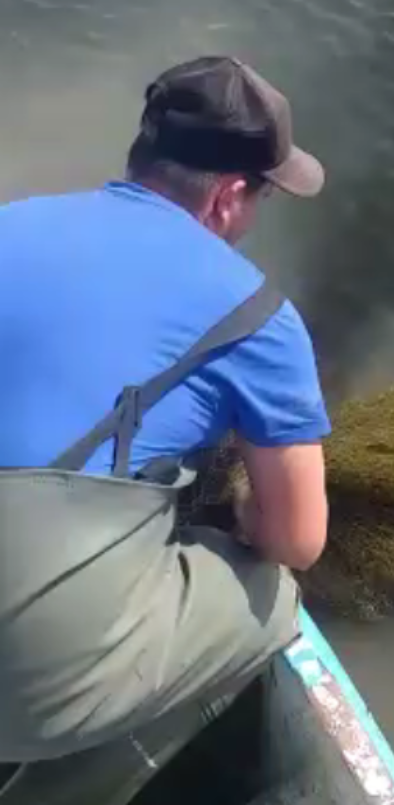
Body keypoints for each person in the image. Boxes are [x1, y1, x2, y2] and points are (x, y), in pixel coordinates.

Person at [0, 56, 329, 802]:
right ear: (228, 197)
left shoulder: (13, 219)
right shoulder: (258, 317)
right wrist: (239, 509)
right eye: (262, 197)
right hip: (21, 668)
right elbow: (300, 539)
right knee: (270, 596)